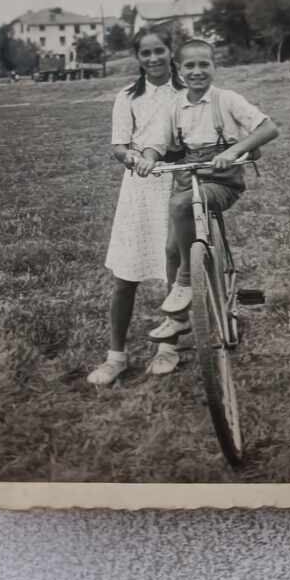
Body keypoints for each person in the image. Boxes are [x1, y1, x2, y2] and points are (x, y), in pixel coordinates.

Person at [138, 37, 279, 317]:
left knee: (181, 206)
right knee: (171, 249)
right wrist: (148, 158)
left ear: (215, 67)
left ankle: (187, 280)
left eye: (204, 64)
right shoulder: (174, 106)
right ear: (179, 70)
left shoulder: (226, 99)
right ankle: (177, 320)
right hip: (187, 179)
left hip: (222, 182)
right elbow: (157, 142)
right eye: (189, 65)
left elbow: (268, 128)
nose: (197, 71)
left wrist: (234, 150)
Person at [87, 27, 186, 386]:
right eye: (145, 53)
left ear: (170, 50)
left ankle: (168, 348)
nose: (153, 58)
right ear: (138, 58)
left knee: (173, 269)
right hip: (139, 187)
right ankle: (116, 356)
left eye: (159, 50)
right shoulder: (127, 96)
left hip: (176, 181)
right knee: (125, 275)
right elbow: (118, 145)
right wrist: (132, 157)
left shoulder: (186, 89)